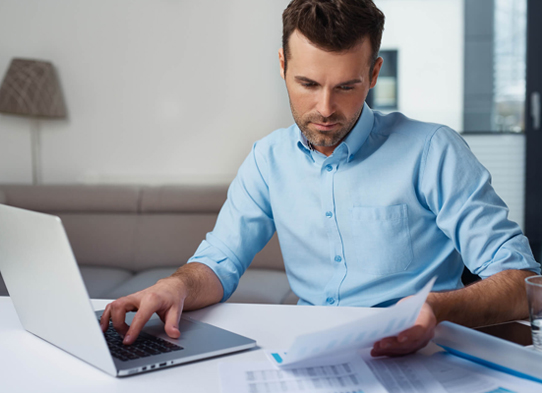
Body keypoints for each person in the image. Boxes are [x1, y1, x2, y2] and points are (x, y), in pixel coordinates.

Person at [101, 0, 540, 357]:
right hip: (310, 360)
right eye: (308, 83)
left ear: (373, 74)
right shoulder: (267, 159)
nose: (326, 108)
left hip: (423, 357)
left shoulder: (433, 151)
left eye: (346, 86)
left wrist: (436, 307)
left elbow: (522, 282)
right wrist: (175, 285)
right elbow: (219, 262)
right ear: (282, 65)